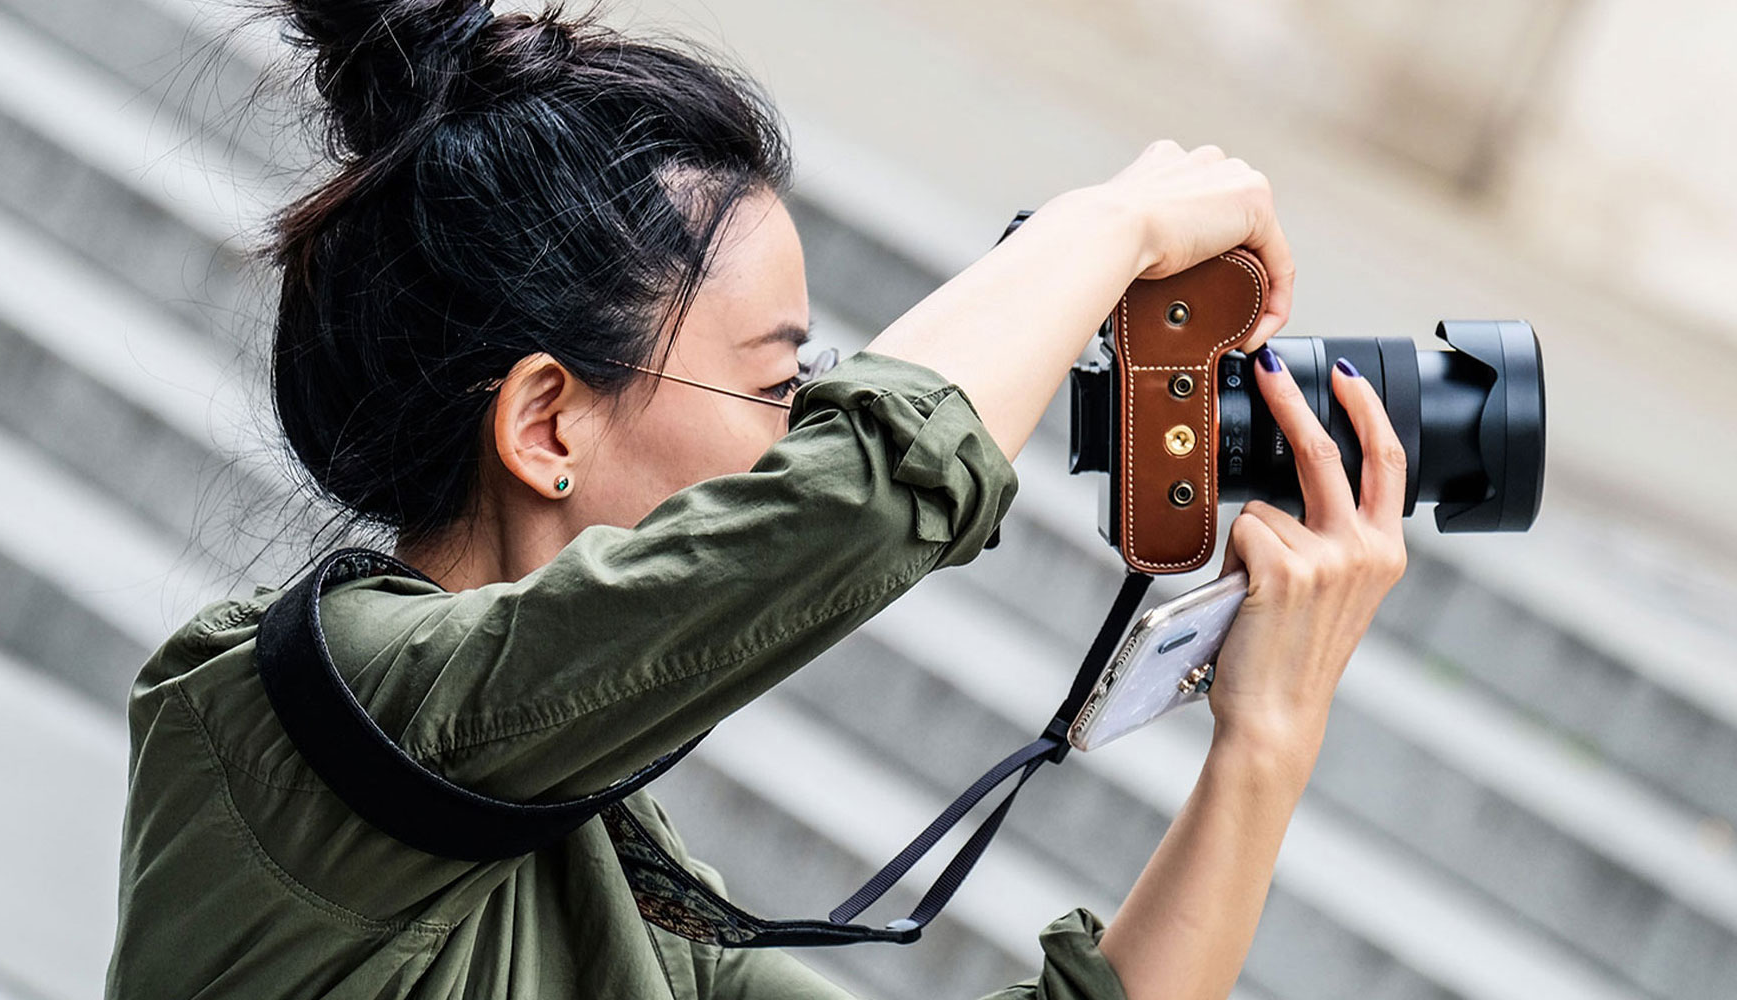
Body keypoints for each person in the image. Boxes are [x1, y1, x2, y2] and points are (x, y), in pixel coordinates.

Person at [105, 1, 1409, 998]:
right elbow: (857, 499)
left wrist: (1266, 739)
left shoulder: (613, 881)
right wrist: (1111, 228)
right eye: (784, 382)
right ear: (548, 421)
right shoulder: (309, 712)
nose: (804, 432)